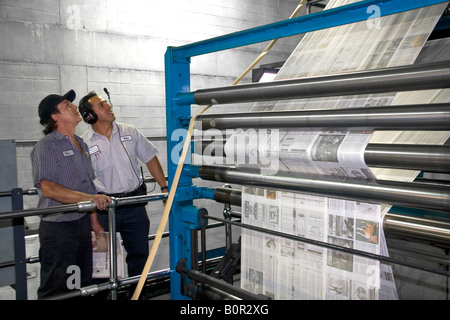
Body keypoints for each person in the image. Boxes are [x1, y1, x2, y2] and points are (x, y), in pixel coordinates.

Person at [31, 90, 112, 299]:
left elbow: (89, 186)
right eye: (67, 105)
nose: (75, 107)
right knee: (57, 287)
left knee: (82, 283)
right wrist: (90, 200)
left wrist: (94, 221)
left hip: (82, 224)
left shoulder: (81, 143)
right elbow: (49, 189)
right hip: (59, 229)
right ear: (54, 117)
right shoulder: (46, 146)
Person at [78, 91, 167, 279]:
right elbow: (83, 180)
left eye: (107, 103)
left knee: (139, 256)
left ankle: (137, 294)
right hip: (104, 207)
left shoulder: (130, 132)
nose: (109, 106)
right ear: (90, 116)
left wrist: (164, 188)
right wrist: (92, 213)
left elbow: (150, 158)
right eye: (101, 105)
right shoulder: (84, 143)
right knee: (102, 261)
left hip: (134, 204)